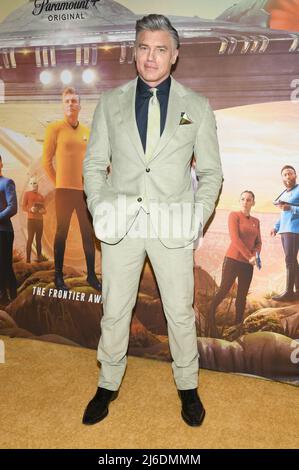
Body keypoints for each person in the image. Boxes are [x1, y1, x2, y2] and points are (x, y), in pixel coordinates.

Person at [82, 14, 223, 427]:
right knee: (115, 311)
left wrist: (196, 216)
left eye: (161, 49)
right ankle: (107, 384)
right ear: (134, 51)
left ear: (175, 56)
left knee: (179, 312)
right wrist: (99, 204)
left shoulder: (196, 106)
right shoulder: (110, 102)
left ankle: (188, 386)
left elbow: (211, 173)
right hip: (121, 223)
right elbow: (94, 164)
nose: (151, 57)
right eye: (144, 47)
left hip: (173, 223)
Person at [42, 87, 101, 291]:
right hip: (64, 191)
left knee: (88, 233)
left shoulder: (86, 131)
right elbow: (46, 161)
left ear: (79, 106)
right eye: (67, 101)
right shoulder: (55, 129)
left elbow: (92, 160)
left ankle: (91, 276)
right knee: (61, 233)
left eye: (73, 101)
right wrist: (58, 182)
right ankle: (59, 278)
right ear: (62, 105)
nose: (70, 104)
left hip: (83, 192)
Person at [206, 191, 262, 338]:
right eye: (243, 199)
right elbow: (235, 239)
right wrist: (250, 256)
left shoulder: (256, 221)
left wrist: (255, 255)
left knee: (242, 296)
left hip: (248, 264)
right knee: (224, 290)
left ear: (253, 203)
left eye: (249, 200)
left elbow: (259, 242)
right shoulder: (234, 216)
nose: (245, 201)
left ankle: (237, 327)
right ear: (240, 201)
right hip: (232, 260)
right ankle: (209, 318)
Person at [271, 165, 299, 301]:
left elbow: (289, 209)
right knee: (293, 260)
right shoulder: (284, 193)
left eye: (290, 174)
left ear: (295, 175)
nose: (288, 176)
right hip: (284, 231)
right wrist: (276, 227)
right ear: (282, 178)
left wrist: (290, 207)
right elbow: (283, 214)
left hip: (294, 230)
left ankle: (288, 292)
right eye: (285, 175)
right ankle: (298, 291)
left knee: (289, 259)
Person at [0, 155, 18, 305]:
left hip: (4, 231)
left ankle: (12, 297)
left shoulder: (7, 183)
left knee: (4, 264)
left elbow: (13, 208)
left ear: (1, 163)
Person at [22, 176, 46, 263]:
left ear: (38, 184)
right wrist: (30, 209)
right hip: (31, 220)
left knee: (39, 240)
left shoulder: (41, 196)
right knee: (30, 239)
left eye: (35, 183)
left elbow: (45, 209)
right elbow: (23, 207)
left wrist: (43, 211)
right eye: (31, 183)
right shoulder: (27, 194)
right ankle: (28, 260)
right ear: (29, 184)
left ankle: (39, 259)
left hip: (40, 220)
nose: (33, 185)